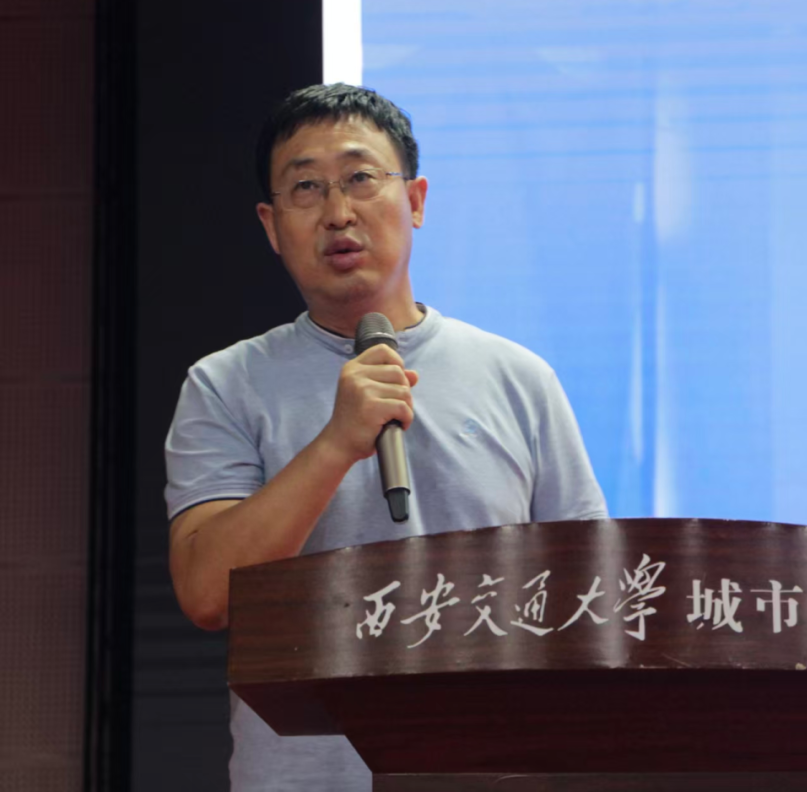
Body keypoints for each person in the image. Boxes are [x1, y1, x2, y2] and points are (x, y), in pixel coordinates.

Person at [164, 83, 609, 790]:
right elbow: (208, 593)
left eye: (361, 178)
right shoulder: (225, 385)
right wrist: (335, 445)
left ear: (416, 200)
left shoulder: (518, 379)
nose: (338, 212)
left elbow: (593, 595)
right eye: (306, 188)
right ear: (271, 226)